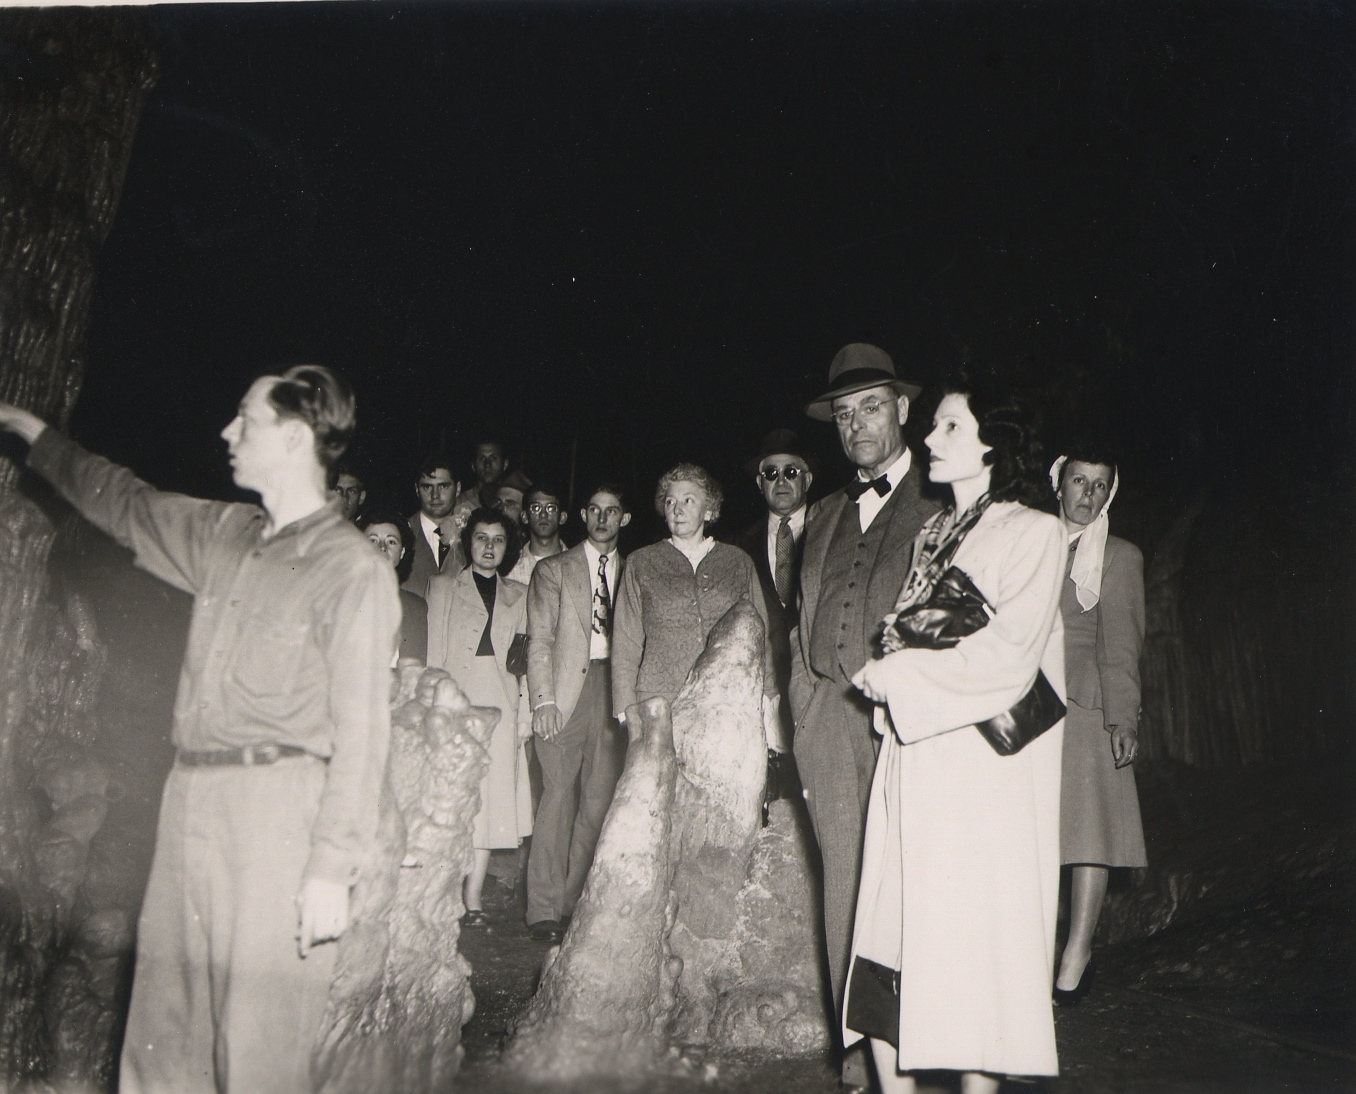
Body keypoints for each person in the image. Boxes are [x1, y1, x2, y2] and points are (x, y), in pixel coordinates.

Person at [0, 367, 399, 1094]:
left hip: (278, 812)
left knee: (258, 1045)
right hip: (188, 802)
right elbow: (123, 501)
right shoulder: (222, 534)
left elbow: (365, 727)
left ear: (292, 436)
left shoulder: (352, 571)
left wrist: (330, 868)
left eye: (243, 420)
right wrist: (35, 436)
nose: (226, 433)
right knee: (163, 1032)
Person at [847, 379, 1066, 1093]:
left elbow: (1011, 655)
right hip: (915, 756)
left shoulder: (1034, 532)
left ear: (993, 444)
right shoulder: (931, 533)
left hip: (978, 774)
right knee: (893, 929)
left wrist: (900, 677)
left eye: (947, 427)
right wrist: (891, 674)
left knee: (972, 942)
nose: (931, 441)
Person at [790, 342, 938, 1080]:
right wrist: (803, 703)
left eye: (872, 406)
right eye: (844, 414)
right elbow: (803, 615)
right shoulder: (819, 514)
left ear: (904, 410)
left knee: (912, 881)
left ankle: (920, 1040)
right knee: (845, 882)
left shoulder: (942, 502)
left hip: (910, 720)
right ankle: (857, 1047)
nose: (857, 426)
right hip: (827, 716)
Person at [1049, 450, 1147, 1003]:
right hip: (1026, 700)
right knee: (1033, 831)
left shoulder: (1120, 556)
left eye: (1099, 485)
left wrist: (1122, 717)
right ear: (1058, 485)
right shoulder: (1031, 543)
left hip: (1086, 701)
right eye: (1078, 481)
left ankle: (1077, 952)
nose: (1087, 493)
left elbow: (1123, 647)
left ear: (1110, 493)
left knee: (1090, 832)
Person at [524, 484, 631, 943]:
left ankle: (573, 906)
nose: (603, 518)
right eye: (595, 510)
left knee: (597, 800)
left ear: (624, 518)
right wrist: (544, 699)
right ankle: (543, 908)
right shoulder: (555, 570)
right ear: (583, 515)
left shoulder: (636, 569)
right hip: (567, 693)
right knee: (557, 795)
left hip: (615, 689)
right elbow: (540, 640)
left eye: (612, 511)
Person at [611, 463, 780, 742]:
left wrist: (768, 696)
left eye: (688, 500)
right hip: (658, 703)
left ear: (709, 510)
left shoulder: (738, 562)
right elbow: (626, 642)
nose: (677, 510)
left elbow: (759, 637)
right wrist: (624, 710)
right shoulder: (641, 563)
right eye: (670, 502)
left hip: (726, 702)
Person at [426, 507, 532, 925]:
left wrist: (522, 717)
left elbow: (523, 663)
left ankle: (472, 900)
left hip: (501, 705)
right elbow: (435, 655)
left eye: (498, 540)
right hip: (456, 698)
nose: (489, 547)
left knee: (490, 803)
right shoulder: (443, 586)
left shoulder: (520, 595)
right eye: (481, 538)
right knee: (449, 795)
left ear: (508, 548)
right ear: (468, 542)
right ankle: (440, 893)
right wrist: (436, 706)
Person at [362, 504, 430, 663]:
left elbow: (414, 670)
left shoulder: (415, 608)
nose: (382, 548)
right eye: (373, 540)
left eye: (391, 542)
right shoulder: (339, 600)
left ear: (402, 552)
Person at [407, 453, 466, 597]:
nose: (435, 495)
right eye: (427, 487)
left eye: (443, 486)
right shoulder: (402, 532)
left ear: (457, 489)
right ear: (416, 489)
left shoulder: (473, 532)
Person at [507, 482, 568, 586]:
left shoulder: (579, 565)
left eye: (551, 508)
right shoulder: (509, 567)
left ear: (562, 517)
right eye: (536, 508)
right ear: (525, 516)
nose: (543, 515)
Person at [456, 439, 511, 510]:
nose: (487, 464)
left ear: (505, 464)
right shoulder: (460, 503)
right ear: (473, 466)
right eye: (482, 458)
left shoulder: (514, 500)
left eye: (493, 458)